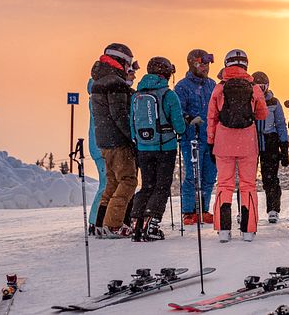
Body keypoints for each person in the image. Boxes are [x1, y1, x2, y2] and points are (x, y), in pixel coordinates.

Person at [207, 49, 268, 242]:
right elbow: (262, 114)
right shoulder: (254, 88)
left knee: (224, 184)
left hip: (223, 142)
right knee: (247, 185)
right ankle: (248, 230)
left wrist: (211, 142)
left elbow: (212, 118)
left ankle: (223, 229)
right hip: (247, 142)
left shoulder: (219, 88)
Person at [129, 57, 187, 241]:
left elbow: (132, 124)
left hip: (143, 148)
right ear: (167, 74)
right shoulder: (168, 95)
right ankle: (152, 222)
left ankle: (136, 222)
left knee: (146, 186)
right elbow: (179, 126)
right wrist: (184, 125)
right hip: (165, 147)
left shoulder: (136, 95)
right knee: (161, 186)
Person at [90, 43, 138, 238]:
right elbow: (119, 114)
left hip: (104, 140)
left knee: (112, 182)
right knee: (127, 181)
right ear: (122, 61)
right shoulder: (115, 82)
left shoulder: (100, 80)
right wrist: (132, 136)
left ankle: (101, 222)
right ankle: (114, 224)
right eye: (129, 63)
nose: (131, 68)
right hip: (118, 140)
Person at [175, 49, 217, 225]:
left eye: (207, 63)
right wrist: (189, 119)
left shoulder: (212, 84)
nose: (206, 67)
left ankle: (203, 210)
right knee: (193, 175)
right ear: (192, 63)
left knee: (209, 176)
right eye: (202, 63)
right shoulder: (182, 86)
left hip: (211, 138)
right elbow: (178, 112)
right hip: (191, 138)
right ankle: (188, 212)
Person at [253, 71, 289, 223]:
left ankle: (273, 209)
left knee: (270, 177)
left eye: (263, 86)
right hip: (252, 140)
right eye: (257, 86)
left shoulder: (273, 102)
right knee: (247, 178)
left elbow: (280, 123)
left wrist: (284, 146)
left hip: (270, 141)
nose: (260, 90)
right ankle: (246, 209)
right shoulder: (249, 100)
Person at [87, 79, 107, 235]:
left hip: (100, 145)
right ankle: (95, 220)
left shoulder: (96, 97)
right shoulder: (97, 99)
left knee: (107, 183)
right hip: (101, 146)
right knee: (106, 184)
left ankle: (98, 219)